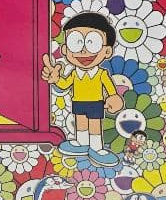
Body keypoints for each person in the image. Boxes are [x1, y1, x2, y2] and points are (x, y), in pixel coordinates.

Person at [41, 12, 123, 166]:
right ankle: (81, 143)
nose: (83, 51)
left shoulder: (102, 74)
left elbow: (111, 90)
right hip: (78, 101)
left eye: (92, 43)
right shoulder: (74, 73)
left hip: (96, 103)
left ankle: (97, 148)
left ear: (107, 51)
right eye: (76, 42)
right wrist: (56, 79)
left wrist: (113, 98)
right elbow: (64, 84)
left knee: (94, 125)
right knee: (81, 123)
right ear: (65, 50)